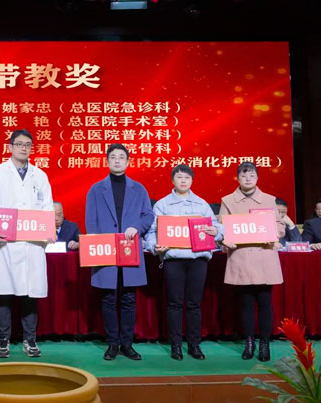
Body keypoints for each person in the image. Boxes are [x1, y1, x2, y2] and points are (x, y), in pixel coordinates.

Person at [0, 129, 54, 358]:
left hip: (31, 244)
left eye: (27, 144)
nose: (23, 148)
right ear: (10, 147)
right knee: (4, 293)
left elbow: (47, 208)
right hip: (4, 244)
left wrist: (47, 231)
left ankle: (30, 339)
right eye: (19, 144)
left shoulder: (40, 176)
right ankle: (3, 339)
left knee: (30, 293)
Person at [144, 164, 222, 360]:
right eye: (179, 177)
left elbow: (217, 228)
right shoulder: (162, 205)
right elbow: (152, 232)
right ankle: (176, 345)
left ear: (192, 180)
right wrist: (154, 246)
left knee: (194, 304)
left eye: (187, 177)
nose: (183, 181)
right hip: (174, 260)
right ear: (173, 180)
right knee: (174, 303)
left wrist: (217, 231)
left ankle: (194, 345)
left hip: (198, 259)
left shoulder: (202, 204)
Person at [85, 143, 154, 361]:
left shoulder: (139, 189)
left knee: (128, 299)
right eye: (113, 157)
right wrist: (96, 246)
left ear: (127, 161)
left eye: (121, 157)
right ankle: (112, 344)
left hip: (129, 248)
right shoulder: (96, 189)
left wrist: (138, 227)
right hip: (105, 249)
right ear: (107, 161)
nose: (117, 160)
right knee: (108, 299)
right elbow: (91, 221)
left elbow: (148, 215)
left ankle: (127, 344)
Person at [220, 162, 285, 361]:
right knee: (246, 303)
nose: (248, 179)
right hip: (242, 257)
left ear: (257, 178)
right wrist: (225, 239)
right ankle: (249, 343)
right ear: (238, 178)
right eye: (244, 175)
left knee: (265, 302)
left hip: (264, 255)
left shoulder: (269, 199)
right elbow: (222, 227)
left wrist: (273, 233)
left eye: (252, 175)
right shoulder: (228, 201)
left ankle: (264, 344)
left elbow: (280, 226)